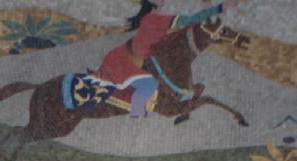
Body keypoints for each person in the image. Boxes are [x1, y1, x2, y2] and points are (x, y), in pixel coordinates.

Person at [97, 1, 246, 119]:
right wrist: (220, 7)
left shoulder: (153, 16)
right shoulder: (159, 18)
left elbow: (190, 23)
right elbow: (192, 19)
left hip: (144, 52)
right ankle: (139, 111)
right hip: (145, 56)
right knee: (151, 83)